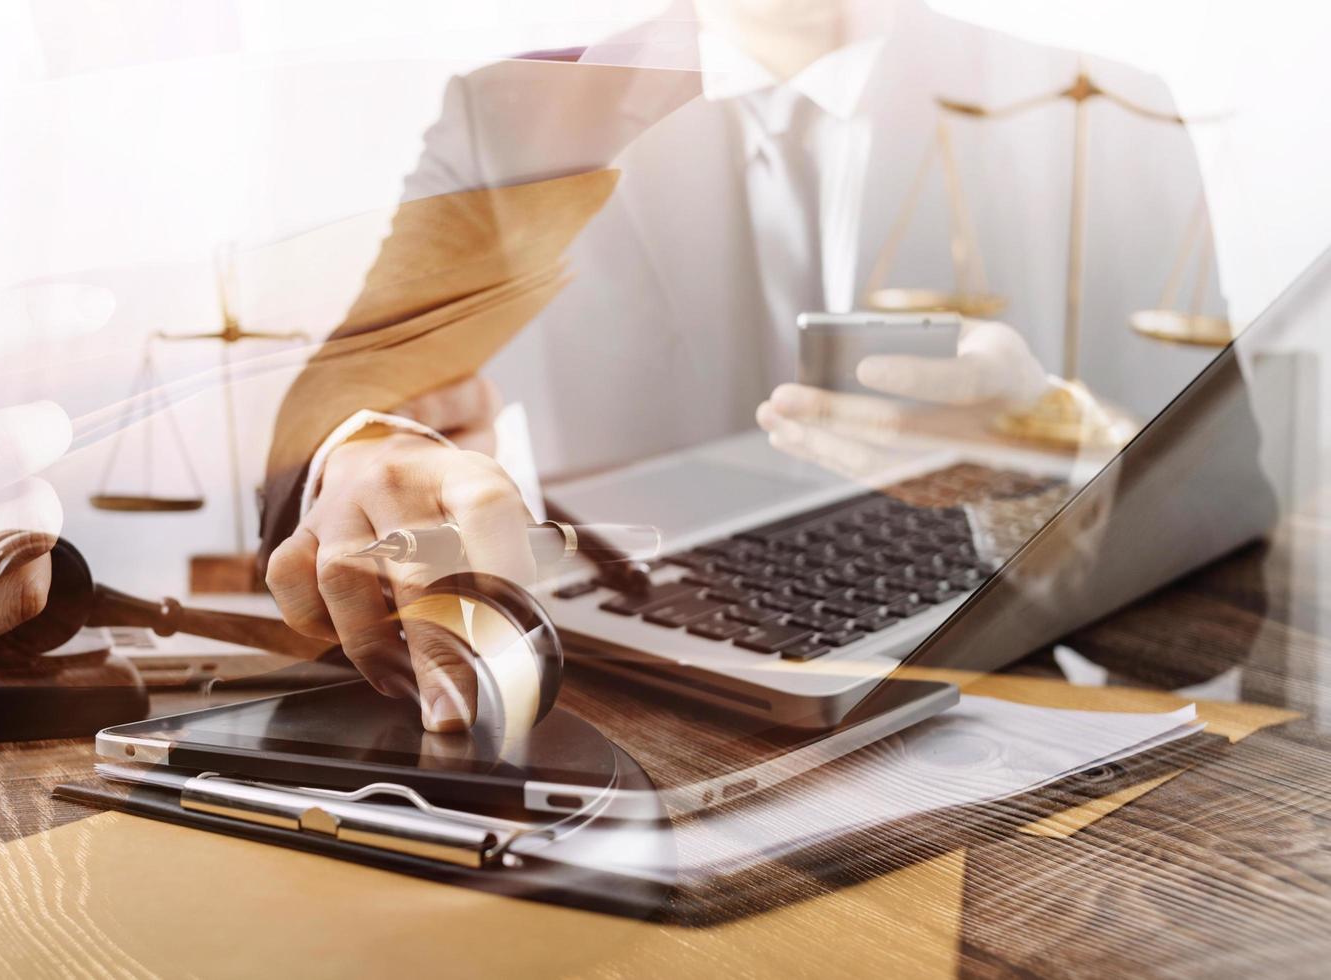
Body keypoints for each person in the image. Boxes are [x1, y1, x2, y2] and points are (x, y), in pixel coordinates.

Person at [257, 0, 1223, 731]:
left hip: (1000, 693)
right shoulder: (522, 111)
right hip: (658, 697)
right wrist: (363, 448)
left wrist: (1051, 447)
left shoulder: (1095, 105)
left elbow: (1225, 509)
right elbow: (355, 379)